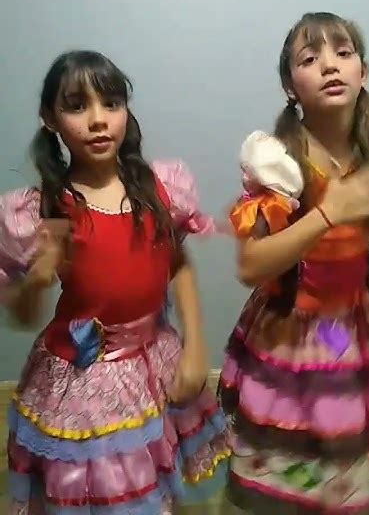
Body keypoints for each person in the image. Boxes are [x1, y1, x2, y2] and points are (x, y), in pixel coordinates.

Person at [0, 50, 230, 515]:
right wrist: (37, 280)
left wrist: (195, 347)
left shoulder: (158, 186)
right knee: (101, 484)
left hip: (156, 355)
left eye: (111, 103)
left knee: (155, 473)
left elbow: (178, 263)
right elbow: (22, 315)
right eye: (76, 106)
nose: (98, 120)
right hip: (84, 376)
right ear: (50, 118)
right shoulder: (44, 207)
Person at [218, 12, 369, 513]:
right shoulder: (278, 158)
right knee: (311, 443)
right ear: (289, 86)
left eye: (343, 53)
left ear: (363, 72)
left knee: (361, 433)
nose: (329, 66)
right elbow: (250, 266)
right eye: (309, 58)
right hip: (301, 322)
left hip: (365, 315)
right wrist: (328, 212)